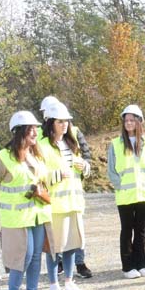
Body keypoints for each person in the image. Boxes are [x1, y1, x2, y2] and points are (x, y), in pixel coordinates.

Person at [0, 111, 51, 290]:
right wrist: (6, 203)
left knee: (35, 257)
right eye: (30, 129)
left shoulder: (34, 156)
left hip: (37, 214)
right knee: (23, 255)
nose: (35, 132)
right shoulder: (3, 158)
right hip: (16, 218)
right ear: (19, 132)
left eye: (36, 128)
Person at [40, 95, 95, 279]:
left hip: (75, 203)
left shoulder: (72, 141)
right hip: (56, 205)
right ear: (51, 122)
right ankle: (54, 283)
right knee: (55, 248)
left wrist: (85, 167)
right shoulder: (42, 145)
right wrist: (55, 176)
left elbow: (84, 162)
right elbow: (37, 175)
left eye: (66, 121)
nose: (65, 125)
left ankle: (70, 279)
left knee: (73, 244)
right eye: (60, 121)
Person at [107, 104, 145, 279]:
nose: (128, 123)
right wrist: (119, 184)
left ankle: (141, 264)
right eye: (126, 120)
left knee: (141, 229)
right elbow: (111, 170)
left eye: (132, 120)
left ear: (139, 122)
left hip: (144, 193)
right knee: (127, 230)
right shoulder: (115, 144)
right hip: (126, 194)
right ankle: (128, 266)